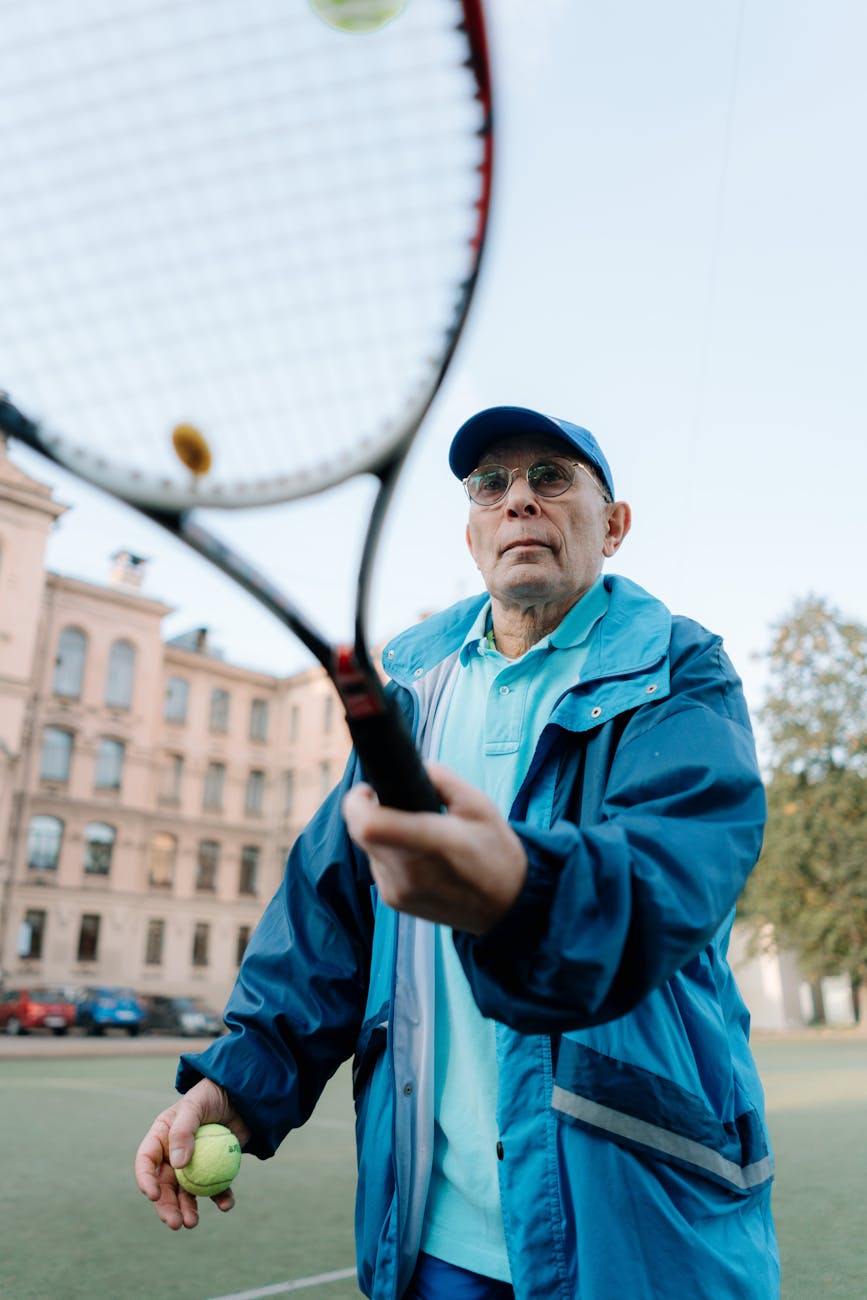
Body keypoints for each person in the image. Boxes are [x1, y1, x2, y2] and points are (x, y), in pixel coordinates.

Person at [135, 405, 780, 1300]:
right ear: (472, 531)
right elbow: (327, 920)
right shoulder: (412, 699)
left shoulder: (678, 672)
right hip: (433, 1237)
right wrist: (238, 1088)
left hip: (636, 1217)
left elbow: (675, 872)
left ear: (614, 525)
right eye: (492, 485)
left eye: (550, 478)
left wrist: (515, 889)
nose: (518, 500)